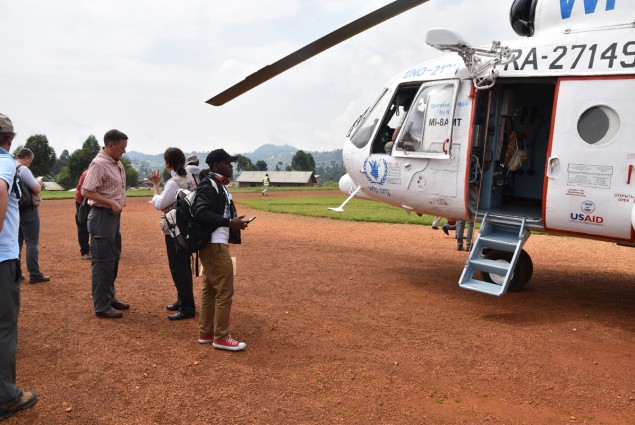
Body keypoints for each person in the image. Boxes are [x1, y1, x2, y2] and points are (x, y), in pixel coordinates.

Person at [0, 113, 38, 420]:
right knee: (4, 327)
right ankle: (6, 397)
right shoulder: (6, 161)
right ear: (10, 140)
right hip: (2, 259)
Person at [194, 149, 250, 351]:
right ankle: (221, 337)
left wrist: (232, 224)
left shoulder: (216, 185)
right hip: (215, 245)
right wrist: (229, 222)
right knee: (225, 290)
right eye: (228, 162)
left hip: (214, 244)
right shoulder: (210, 186)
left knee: (210, 289)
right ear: (217, 165)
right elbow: (200, 212)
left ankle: (207, 332)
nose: (232, 166)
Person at [81, 129, 130, 319]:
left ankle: (109, 297)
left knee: (113, 258)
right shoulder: (99, 164)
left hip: (112, 217)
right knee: (102, 262)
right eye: (121, 147)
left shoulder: (115, 162)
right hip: (102, 216)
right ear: (110, 146)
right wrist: (111, 202)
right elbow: (86, 191)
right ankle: (101, 305)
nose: (124, 151)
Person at [149, 148, 196, 321]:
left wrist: (155, 185)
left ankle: (187, 307)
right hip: (187, 227)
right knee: (182, 265)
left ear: (168, 163)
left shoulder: (173, 182)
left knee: (178, 267)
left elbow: (160, 204)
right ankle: (182, 300)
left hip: (175, 228)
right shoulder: (189, 177)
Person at [15, 148, 50, 284]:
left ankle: (16, 273)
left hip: (14, 209)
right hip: (28, 210)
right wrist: (38, 183)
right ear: (27, 158)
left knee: (16, 243)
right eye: (30, 161)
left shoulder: (9, 166)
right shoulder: (23, 169)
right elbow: (36, 188)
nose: (30, 163)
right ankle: (34, 274)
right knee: (31, 242)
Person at [75, 169, 91, 260]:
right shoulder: (87, 174)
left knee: (95, 225)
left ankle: (94, 250)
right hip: (82, 202)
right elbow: (82, 192)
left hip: (93, 200)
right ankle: (85, 252)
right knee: (82, 225)